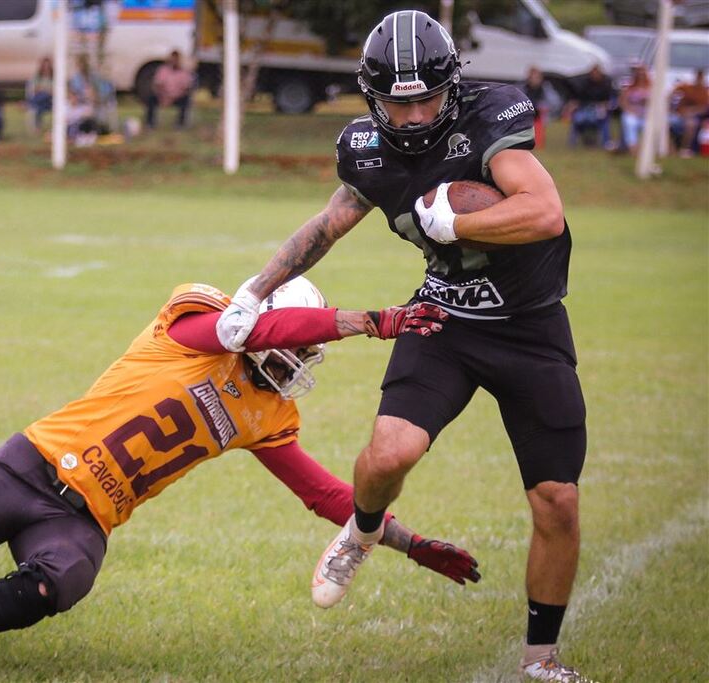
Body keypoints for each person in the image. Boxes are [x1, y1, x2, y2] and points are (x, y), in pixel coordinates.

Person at [0, 279, 479, 678]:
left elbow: (324, 493)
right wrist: (363, 321)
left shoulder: (270, 412)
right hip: (30, 464)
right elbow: (254, 324)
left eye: (308, 353)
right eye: (298, 343)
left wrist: (405, 541)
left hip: (82, 516)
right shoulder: (195, 327)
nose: (299, 359)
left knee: (64, 579)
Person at [216, 10, 589, 682]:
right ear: (371, 96)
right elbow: (330, 223)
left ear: (453, 88)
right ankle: (362, 529)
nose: (414, 117)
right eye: (398, 102)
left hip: (530, 327)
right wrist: (255, 288)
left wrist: (459, 223)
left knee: (557, 500)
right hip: (442, 322)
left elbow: (545, 212)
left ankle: (541, 659)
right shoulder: (367, 149)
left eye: (428, 100)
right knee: (389, 454)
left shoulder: (491, 119)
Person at [566, 63, 614, 149]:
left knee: (602, 119)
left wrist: (604, 106)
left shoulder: (606, 84)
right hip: (585, 108)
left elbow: (609, 100)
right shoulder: (585, 84)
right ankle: (574, 142)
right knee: (578, 119)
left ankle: (606, 142)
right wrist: (573, 106)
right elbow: (579, 99)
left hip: (599, 109)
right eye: (593, 73)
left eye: (596, 73)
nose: (594, 75)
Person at [146, 49, 194, 129]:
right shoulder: (163, 70)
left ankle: (180, 124)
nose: (174, 61)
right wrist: (163, 96)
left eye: (176, 59)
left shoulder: (184, 72)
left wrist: (175, 96)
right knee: (151, 98)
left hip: (177, 97)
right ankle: (150, 123)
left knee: (186, 100)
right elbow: (157, 85)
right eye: (172, 59)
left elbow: (186, 88)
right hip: (163, 97)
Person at [669, 68, 708, 157]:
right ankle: (671, 149)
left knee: (691, 125)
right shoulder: (687, 87)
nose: (699, 79)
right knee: (667, 123)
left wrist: (692, 111)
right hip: (679, 114)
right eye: (698, 77)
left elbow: (704, 108)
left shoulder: (704, 92)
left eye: (701, 77)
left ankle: (685, 148)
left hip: (693, 116)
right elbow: (674, 91)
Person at [520, 67, 560, 150]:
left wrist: (545, 107)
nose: (534, 80)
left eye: (537, 77)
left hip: (541, 114)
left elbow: (555, 102)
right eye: (532, 77)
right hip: (527, 113)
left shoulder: (546, 88)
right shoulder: (522, 88)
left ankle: (538, 141)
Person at [619, 64, 651, 154]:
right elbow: (623, 102)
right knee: (630, 123)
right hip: (632, 112)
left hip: (647, 114)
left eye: (642, 72)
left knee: (648, 125)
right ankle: (633, 147)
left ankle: (646, 148)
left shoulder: (651, 86)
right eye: (639, 73)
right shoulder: (629, 86)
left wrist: (647, 101)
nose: (641, 75)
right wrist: (631, 110)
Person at [25, 57, 54, 131]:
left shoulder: (54, 77)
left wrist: (43, 89)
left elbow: (54, 91)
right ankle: (37, 127)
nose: (46, 67)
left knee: (42, 97)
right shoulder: (37, 76)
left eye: (48, 65)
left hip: (50, 101)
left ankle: (28, 103)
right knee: (38, 106)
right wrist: (46, 90)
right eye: (45, 65)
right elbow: (35, 90)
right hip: (40, 101)